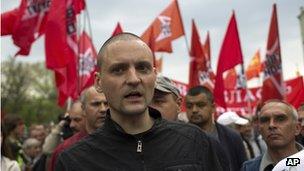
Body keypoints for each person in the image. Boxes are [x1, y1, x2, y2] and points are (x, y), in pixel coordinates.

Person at [55, 33, 227, 171]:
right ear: (99, 82)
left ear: (154, 76)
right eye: (118, 70)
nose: (133, 79)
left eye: (142, 68)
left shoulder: (195, 142)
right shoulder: (74, 161)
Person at [186, 85, 247, 171]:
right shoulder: (177, 137)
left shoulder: (232, 137)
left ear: (213, 107)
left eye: (200, 105)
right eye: (189, 106)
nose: (194, 110)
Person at [49, 86, 108, 171]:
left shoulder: (125, 143)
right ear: (83, 109)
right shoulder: (65, 150)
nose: (103, 109)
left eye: (107, 103)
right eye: (96, 104)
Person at [241, 100, 302, 171]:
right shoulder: (249, 168)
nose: (271, 125)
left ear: (297, 128)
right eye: (265, 120)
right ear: (259, 129)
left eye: (280, 119)